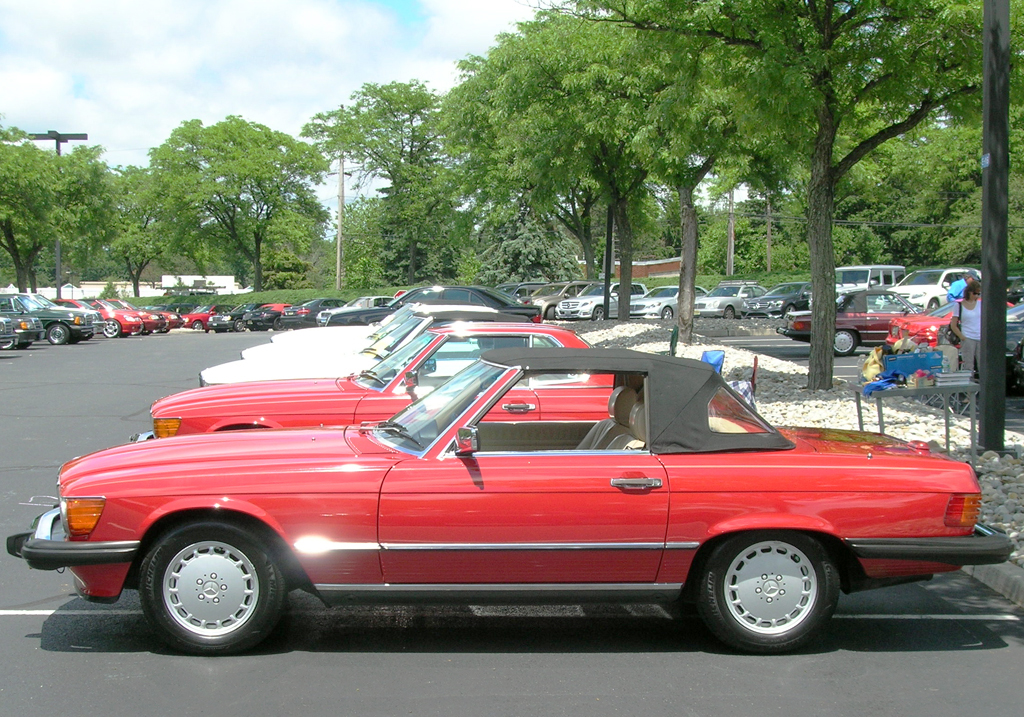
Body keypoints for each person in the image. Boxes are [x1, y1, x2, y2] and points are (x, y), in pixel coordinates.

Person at [949, 277, 981, 376]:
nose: (976, 296)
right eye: (974, 293)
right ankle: (969, 390)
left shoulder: (981, 304)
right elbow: (953, 325)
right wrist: (962, 337)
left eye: (978, 294)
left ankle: (984, 388)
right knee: (968, 365)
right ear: (969, 292)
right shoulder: (959, 305)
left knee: (982, 364)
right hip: (968, 337)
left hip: (980, 337)